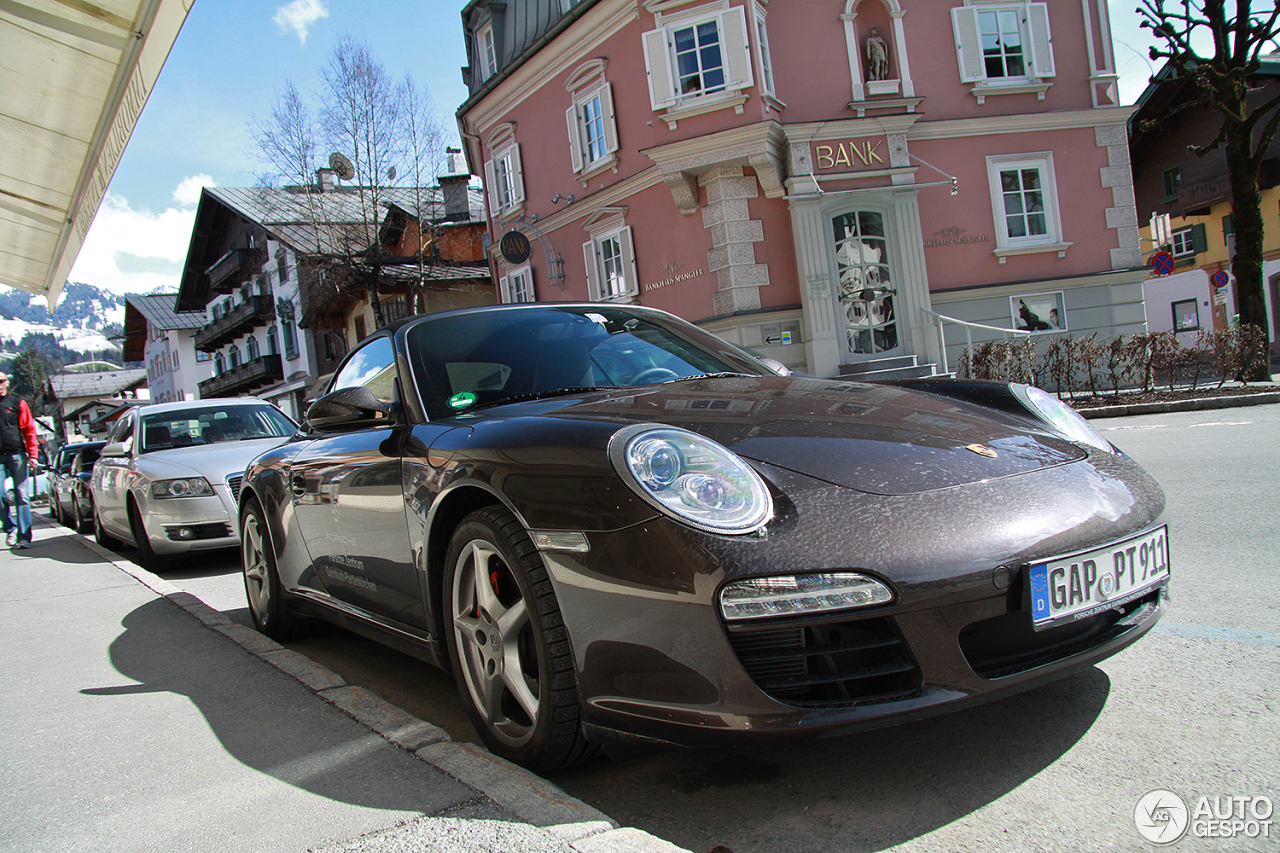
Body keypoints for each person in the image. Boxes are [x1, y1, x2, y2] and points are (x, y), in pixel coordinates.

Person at [0, 371, 40, 549]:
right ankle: (10, 527)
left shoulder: (17, 403)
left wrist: (33, 455)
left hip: (17, 454)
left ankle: (24, 537)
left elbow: (29, 430)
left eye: (1, 381)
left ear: (6, 382)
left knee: (22, 495)